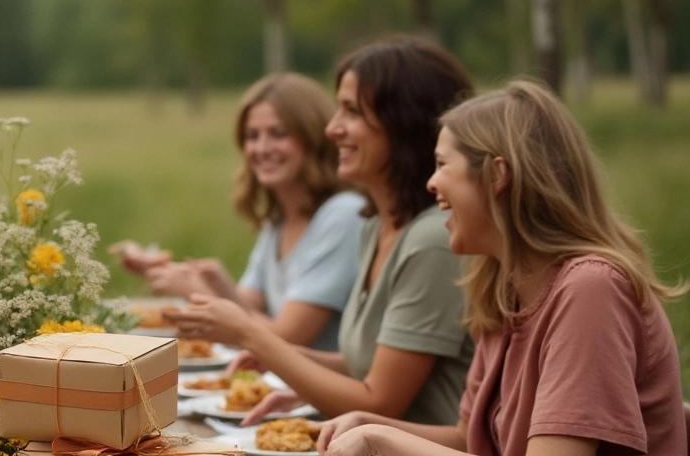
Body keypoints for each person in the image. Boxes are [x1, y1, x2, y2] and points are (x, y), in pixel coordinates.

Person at [315, 80, 687, 456]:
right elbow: (473, 440)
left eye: (443, 166)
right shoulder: (505, 283)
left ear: (498, 174)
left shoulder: (590, 291)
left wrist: (385, 438)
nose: (431, 182)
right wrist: (370, 424)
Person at [167, 37, 475, 428]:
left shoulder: (431, 240)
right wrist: (287, 360)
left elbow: (380, 402)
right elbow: (368, 365)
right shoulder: (378, 228)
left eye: (351, 112)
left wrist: (254, 337)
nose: (333, 129)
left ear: (403, 122)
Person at [113, 74, 363, 351]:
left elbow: (285, 338)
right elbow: (252, 305)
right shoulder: (279, 219)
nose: (262, 148)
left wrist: (193, 292)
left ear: (313, 137)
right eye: (252, 136)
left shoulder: (343, 215)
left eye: (278, 134)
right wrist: (171, 271)